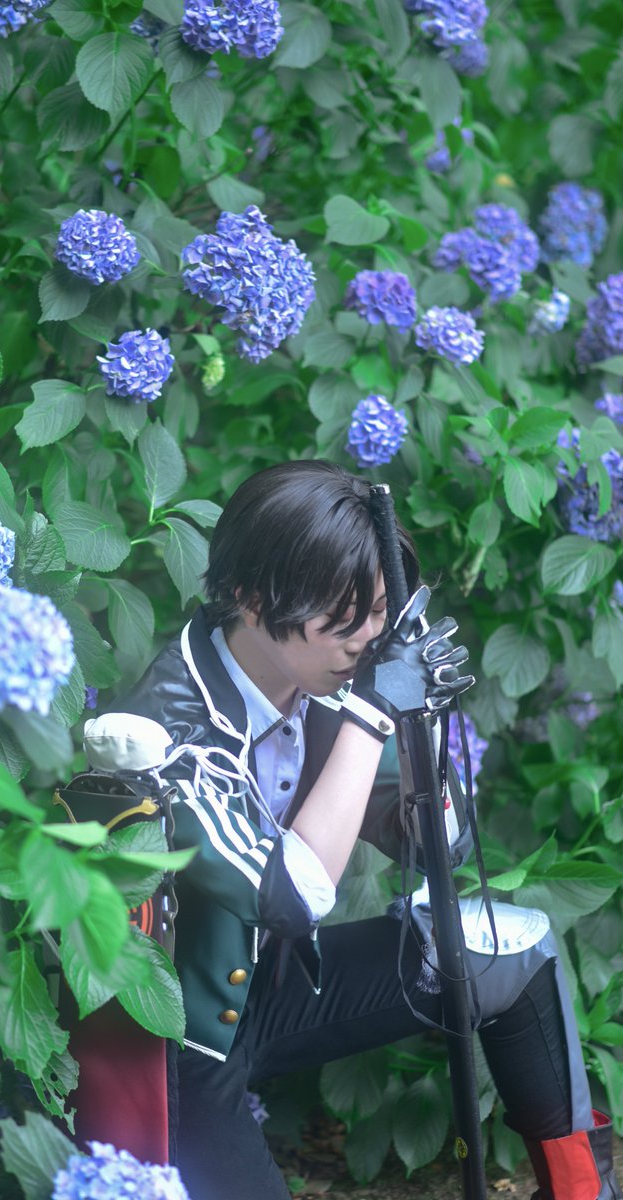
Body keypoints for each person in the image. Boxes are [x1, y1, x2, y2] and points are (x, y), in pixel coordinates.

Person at [98, 460, 620, 1200]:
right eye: (343, 617)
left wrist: (419, 726)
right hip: (175, 1046)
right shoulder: (163, 733)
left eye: (379, 613)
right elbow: (294, 896)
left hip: (274, 990)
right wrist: (374, 714)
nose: (367, 640)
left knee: (512, 947)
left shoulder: (318, 676)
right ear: (251, 597)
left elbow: (438, 846)